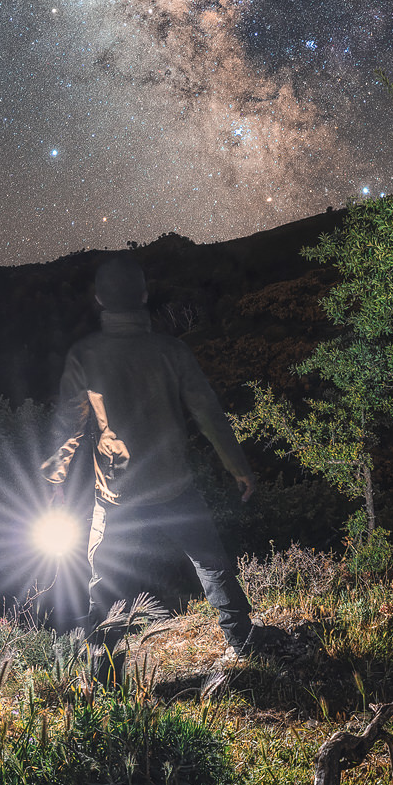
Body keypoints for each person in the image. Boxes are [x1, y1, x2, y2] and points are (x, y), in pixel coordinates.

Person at [42, 252, 264, 658]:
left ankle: (105, 673)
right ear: (144, 296)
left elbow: (67, 426)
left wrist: (55, 482)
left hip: (116, 494)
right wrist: (238, 467)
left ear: (99, 300)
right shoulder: (171, 351)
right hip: (173, 485)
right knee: (211, 563)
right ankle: (241, 640)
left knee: (106, 584)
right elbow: (208, 414)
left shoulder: (84, 355)